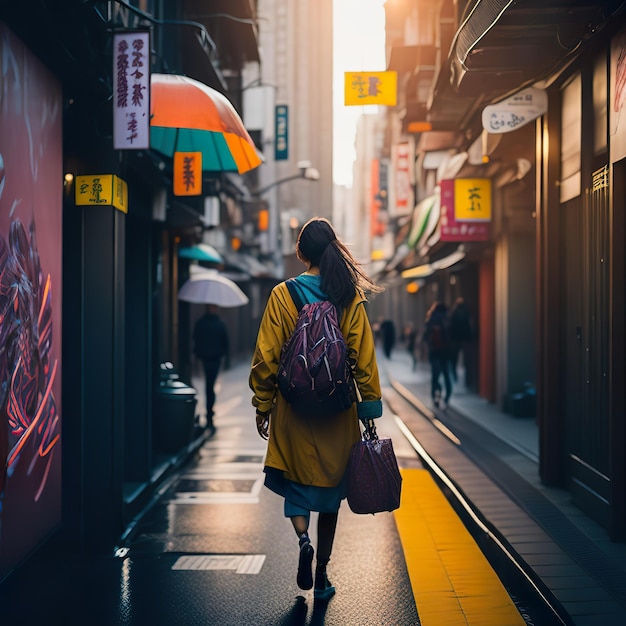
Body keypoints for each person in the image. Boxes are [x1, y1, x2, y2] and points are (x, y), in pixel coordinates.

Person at [249, 217, 383, 601]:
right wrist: (368, 406)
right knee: (329, 495)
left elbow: (266, 356)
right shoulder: (348, 295)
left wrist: (263, 403)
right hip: (337, 411)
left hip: (293, 411)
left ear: (302, 252)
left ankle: (302, 539)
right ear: (333, 248)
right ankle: (322, 573)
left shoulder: (282, 294)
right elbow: (363, 357)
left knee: (297, 483)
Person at [192, 304, 229, 432]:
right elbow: (225, 342)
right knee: (210, 386)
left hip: (206, 357)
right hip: (214, 358)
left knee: (209, 386)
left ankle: (209, 414)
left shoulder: (201, 323)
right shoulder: (219, 324)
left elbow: (196, 338)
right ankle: (209, 414)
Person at [423, 301, 452, 409]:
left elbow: (426, 336)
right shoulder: (447, 319)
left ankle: (435, 395)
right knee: (446, 374)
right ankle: (447, 398)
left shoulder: (430, 319)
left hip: (434, 351)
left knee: (435, 375)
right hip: (445, 351)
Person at [449, 297, 473, 383]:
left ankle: (456, 374)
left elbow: (451, 325)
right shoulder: (466, 311)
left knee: (455, 358)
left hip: (456, 338)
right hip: (463, 338)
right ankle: (465, 376)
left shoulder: (454, 312)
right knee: (464, 357)